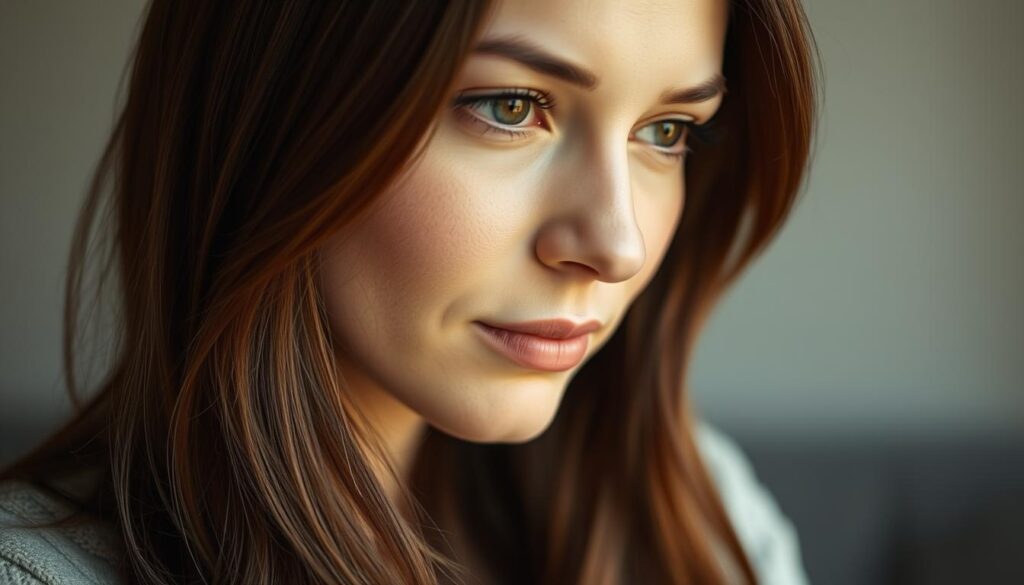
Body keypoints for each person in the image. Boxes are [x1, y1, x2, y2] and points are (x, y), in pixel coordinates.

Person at [0, 0, 818, 583]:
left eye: (666, 132)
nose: (617, 244)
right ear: (277, 114)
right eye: (511, 106)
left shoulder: (698, 517)